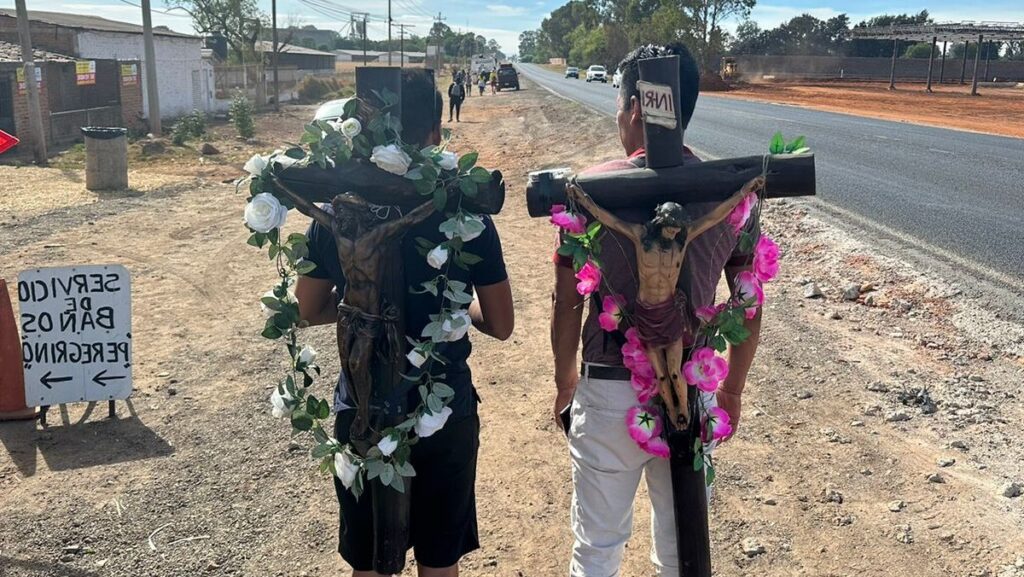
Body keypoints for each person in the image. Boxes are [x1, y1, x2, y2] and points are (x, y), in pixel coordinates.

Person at [550, 43, 762, 577]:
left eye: (621, 107)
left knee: (596, 549)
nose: (620, 119)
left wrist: (564, 380)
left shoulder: (592, 192)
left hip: (607, 390)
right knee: (681, 551)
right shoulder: (726, 197)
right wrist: (731, 388)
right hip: (691, 389)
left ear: (639, 109)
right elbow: (749, 301)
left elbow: (568, 300)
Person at [296, 68, 515, 577]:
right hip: (444, 408)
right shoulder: (466, 214)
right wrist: (457, 314)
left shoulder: (336, 210)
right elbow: (501, 323)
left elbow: (308, 308)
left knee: (370, 565)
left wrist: (359, 307)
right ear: (435, 135)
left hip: (363, 402)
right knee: (440, 562)